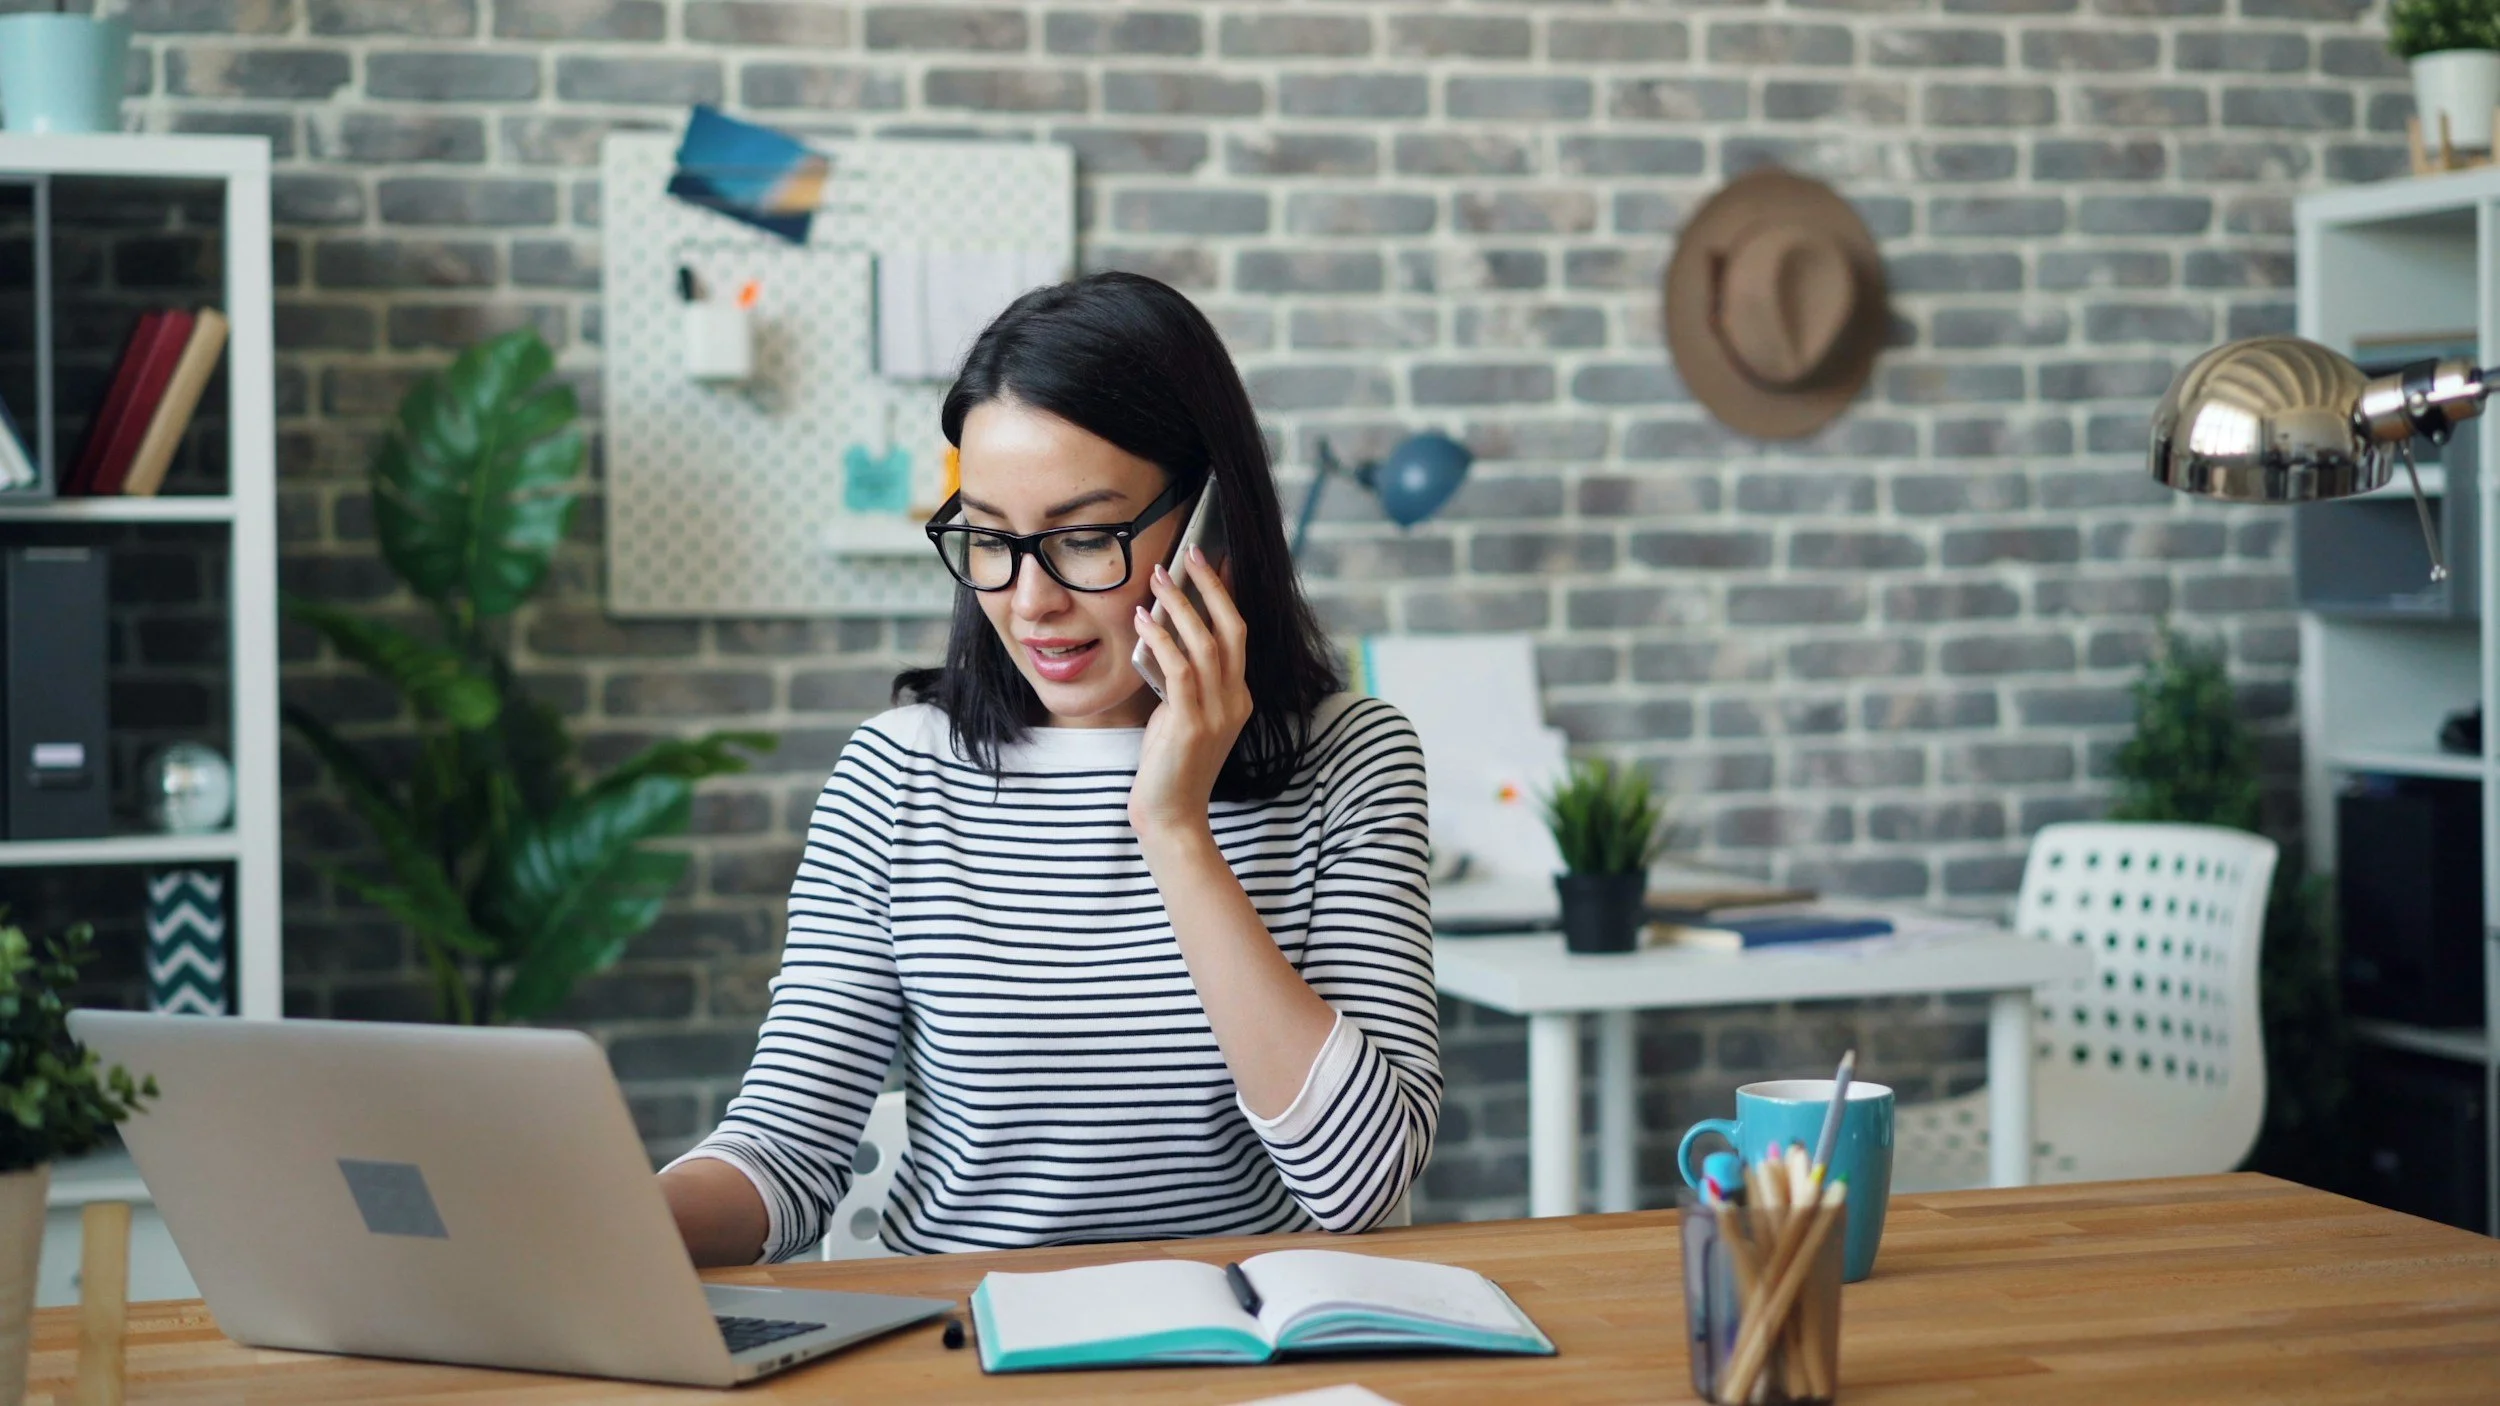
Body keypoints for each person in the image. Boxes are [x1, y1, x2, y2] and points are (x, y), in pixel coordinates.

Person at [660, 272, 1440, 1263]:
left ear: (1211, 520)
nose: (1028, 601)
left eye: (1080, 538)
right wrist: (616, 1224)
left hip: (1237, 1354)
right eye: (988, 537)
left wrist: (1173, 825)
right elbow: (784, 1148)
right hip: (960, 1346)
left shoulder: (1351, 760)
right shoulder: (896, 774)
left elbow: (1362, 1183)